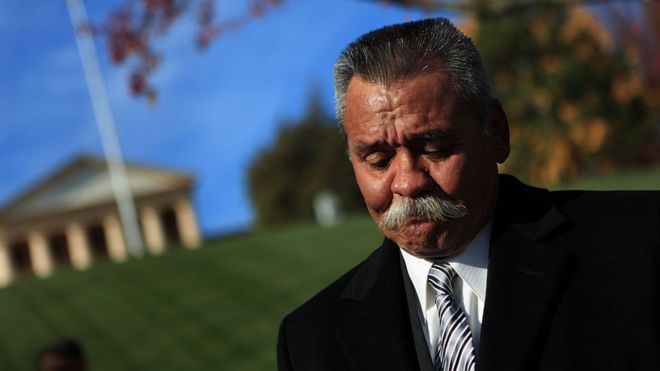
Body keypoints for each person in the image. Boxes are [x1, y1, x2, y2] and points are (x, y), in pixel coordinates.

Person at [276, 17, 660, 371]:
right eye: (378, 160)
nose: (407, 182)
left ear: (495, 131)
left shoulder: (640, 244)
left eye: (435, 148)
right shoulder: (310, 341)